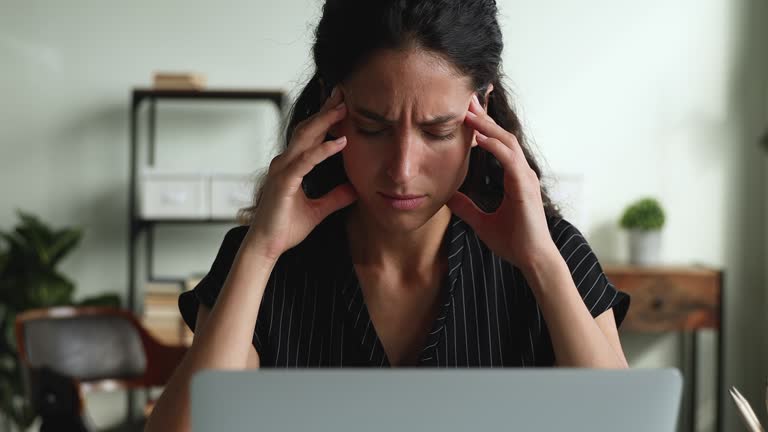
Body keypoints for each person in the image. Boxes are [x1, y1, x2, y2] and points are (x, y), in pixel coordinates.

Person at [146, 0, 630, 430]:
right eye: (372, 127)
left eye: (438, 131)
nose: (401, 170)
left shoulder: (552, 252)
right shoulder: (265, 263)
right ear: (330, 109)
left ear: (480, 111)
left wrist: (542, 264)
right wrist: (260, 251)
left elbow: (623, 425)